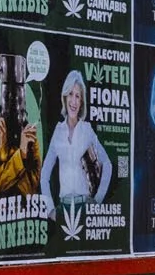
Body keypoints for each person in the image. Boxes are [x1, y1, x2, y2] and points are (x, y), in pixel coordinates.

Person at [39, 70, 113, 215]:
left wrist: (97, 200)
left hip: (85, 207)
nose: (73, 101)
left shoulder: (87, 130)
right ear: (65, 97)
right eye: (71, 94)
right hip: (63, 208)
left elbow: (107, 164)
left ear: (81, 102)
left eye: (78, 96)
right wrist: (50, 210)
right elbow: (44, 175)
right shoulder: (58, 132)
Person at [0, 51, 42, 199]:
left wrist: (8, 153)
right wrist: (5, 148)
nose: (13, 102)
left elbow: (30, 190)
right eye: (7, 95)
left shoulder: (30, 137)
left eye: (17, 94)